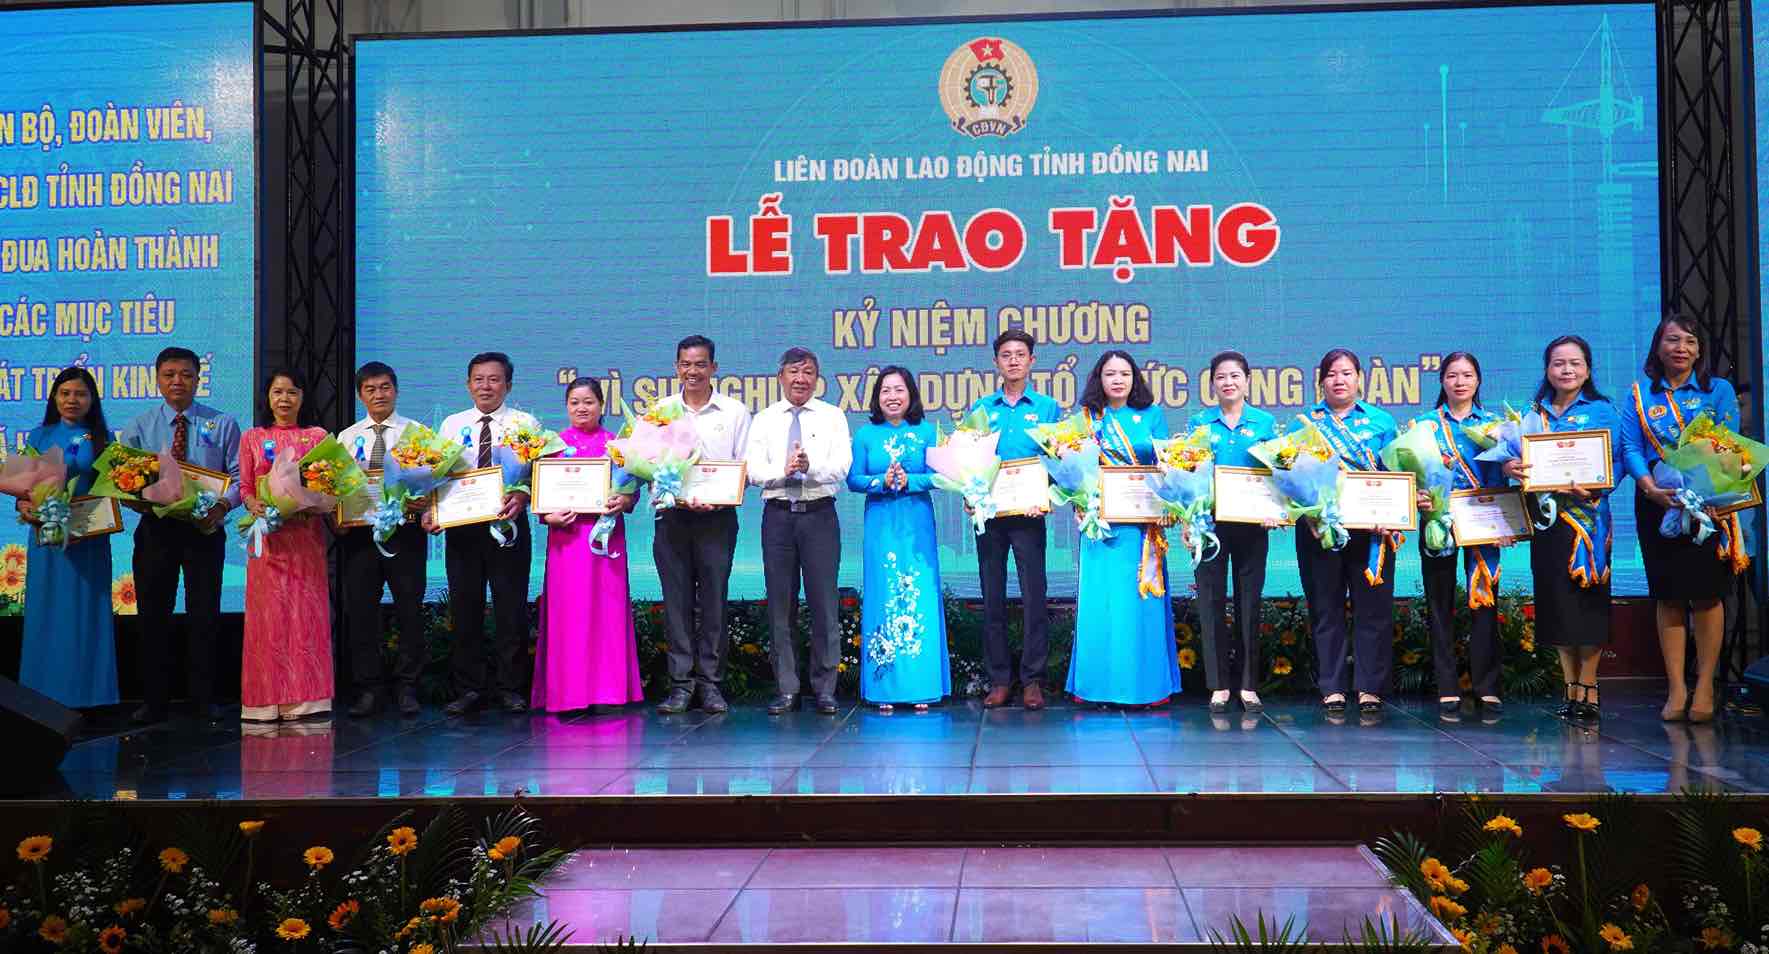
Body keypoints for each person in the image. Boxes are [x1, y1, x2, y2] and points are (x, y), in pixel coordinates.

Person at [1619, 316, 1739, 723]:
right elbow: (1632, 447)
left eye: (1690, 341)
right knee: (1668, 595)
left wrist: (1708, 492)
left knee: (1706, 595)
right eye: (1672, 340)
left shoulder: (1717, 391)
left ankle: (1705, 685)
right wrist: (1650, 487)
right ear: (1658, 348)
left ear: (1700, 350)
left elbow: (1728, 440)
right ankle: (1676, 687)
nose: (1681, 348)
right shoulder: (1640, 395)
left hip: (1709, 504)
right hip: (1658, 503)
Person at [120, 346, 241, 723]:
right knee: (153, 615)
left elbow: (239, 478)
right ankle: (154, 700)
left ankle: (203, 699)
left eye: (186, 374)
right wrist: (137, 499)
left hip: (205, 530)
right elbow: (127, 482)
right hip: (157, 530)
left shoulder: (222, 423)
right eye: (170, 374)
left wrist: (221, 508)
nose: (178, 381)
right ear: (157, 379)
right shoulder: (139, 426)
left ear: (198, 378)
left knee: (204, 615)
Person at [1508, 335, 1623, 723]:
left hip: (1588, 522)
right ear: (1547, 369)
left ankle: (1589, 685)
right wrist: (1512, 468)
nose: (1567, 370)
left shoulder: (1604, 411)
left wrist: (1596, 485)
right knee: (1556, 602)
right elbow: (1519, 461)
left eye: (1575, 363)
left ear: (1588, 369)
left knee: (1587, 601)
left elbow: (1618, 462)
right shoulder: (1532, 415)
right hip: (1548, 521)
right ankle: (1569, 685)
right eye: (1559, 363)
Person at [425, 352, 538, 716]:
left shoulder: (525, 424)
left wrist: (521, 495)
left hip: (508, 525)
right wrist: (432, 510)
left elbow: (538, 474)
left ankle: (511, 688)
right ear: (467, 384)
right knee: (465, 609)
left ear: (508, 384)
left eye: (493, 379)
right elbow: (435, 476)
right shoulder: (451, 425)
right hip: (462, 529)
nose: (485, 386)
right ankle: (469, 688)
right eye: (478, 379)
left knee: (511, 609)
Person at [1068, 350, 1181, 707]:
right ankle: (1095, 686)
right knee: (1102, 606)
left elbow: (1167, 466)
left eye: (1125, 373)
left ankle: (1146, 688)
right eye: (1110, 374)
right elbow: (1074, 472)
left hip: (1142, 529)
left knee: (1139, 605)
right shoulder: (1087, 420)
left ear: (1135, 379)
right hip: (1101, 528)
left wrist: (1167, 504)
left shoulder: (1152, 415)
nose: (1118, 380)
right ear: (1098, 379)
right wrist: (1079, 503)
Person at [745, 347, 852, 715]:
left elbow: (842, 466)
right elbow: (753, 469)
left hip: (819, 515)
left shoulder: (832, 416)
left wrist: (810, 467)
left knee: (824, 604)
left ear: (816, 379)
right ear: (780, 377)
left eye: (807, 372)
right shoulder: (764, 419)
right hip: (777, 516)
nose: (800, 379)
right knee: (780, 605)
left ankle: (825, 688)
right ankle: (787, 688)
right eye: (793, 372)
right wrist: (784, 470)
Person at [1295, 348, 1399, 719]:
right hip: (1319, 530)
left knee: (1373, 609)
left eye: (1346, 373)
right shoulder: (1305, 425)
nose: (1339, 380)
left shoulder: (1382, 422)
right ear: (1321, 381)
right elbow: (1293, 481)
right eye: (1331, 374)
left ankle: (1370, 687)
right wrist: (1307, 513)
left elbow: (1396, 472)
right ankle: (1332, 687)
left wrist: (1394, 510)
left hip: (1372, 531)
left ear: (1359, 378)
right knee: (1326, 608)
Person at [652, 335, 751, 715]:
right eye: (685, 364)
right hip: (673, 518)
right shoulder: (661, 412)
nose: (692, 371)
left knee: (713, 603)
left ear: (714, 367)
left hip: (717, 519)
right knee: (676, 604)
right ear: (676, 367)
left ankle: (710, 685)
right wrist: (670, 494)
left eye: (700, 364)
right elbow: (649, 466)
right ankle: (681, 685)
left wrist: (723, 494)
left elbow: (746, 466)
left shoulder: (734, 412)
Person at [532, 377, 643, 713]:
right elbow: (538, 497)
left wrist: (623, 501)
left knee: (606, 611)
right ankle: (568, 693)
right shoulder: (550, 445)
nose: (581, 408)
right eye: (574, 402)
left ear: (601, 406)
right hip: (566, 541)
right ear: (566, 407)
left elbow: (631, 493)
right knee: (569, 614)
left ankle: (609, 692)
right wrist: (546, 516)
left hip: (606, 539)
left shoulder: (618, 446)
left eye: (589, 402)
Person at [967, 330, 1062, 710]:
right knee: (992, 597)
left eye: (1020, 354)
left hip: (1029, 513)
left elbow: (1059, 460)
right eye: (1005, 355)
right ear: (996, 362)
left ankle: (1033, 680)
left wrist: (1047, 495)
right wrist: (971, 494)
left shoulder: (1048, 408)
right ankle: (1000, 679)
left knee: (1033, 596)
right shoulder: (981, 409)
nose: (1013, 361)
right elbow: (969, 462)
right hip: (990, 515)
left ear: (1032, 361)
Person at [847, 367, 951, 711]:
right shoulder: (865, 435)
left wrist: (911, 481)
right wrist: (881, 480)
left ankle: (922, 686)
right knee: (884, 592)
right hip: (881, 521)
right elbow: (853, 479)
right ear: (877, 398)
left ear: (911, 395)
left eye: (899, 390)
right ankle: (885, 689)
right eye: (885, 391)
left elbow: (940, 477)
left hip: (916, 519)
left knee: (919, 594)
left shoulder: (926, 433)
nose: (892, 397)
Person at [14, 367, 118, 710]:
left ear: (92, 400)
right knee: (48, 615)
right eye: (66, 393)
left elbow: (113, 490)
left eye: (81, 394)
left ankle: (91, 697)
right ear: (55, 397)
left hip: (88, 542)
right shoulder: (39, 437)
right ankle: (43, 695)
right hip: (48, 544)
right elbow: (22, 491)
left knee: (88, 615)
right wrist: (27, 508)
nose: (73, 400)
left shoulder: (103, 440)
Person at [1414, 352, 1509, 721]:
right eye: (1452, 375)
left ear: (1478, 381)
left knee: (1484, 603)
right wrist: (1417, 498)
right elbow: (1412, 474)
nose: (1460, 382)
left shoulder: (1495, 427)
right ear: (1442, 381)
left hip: (1482, 523)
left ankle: (1487, 687)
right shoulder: (1423, 426)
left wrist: (1505, 523)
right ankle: (1447, 687)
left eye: (1467, 375)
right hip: (1437, 522)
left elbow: (1503, 478)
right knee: (1439, 606)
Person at [239, 368, 334, 722]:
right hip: (268, 540)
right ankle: (264, 702)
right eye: (277, 392)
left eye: (292, 392)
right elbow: (245, 486)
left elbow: (330, 483)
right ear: (267, 397)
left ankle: (308, 700)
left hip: (305, 539)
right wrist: (253, 504)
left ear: (303, 397)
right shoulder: (251, 437)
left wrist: (311, 503)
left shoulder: (317, 436)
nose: (284, 399)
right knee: (269, 619)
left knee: (305, 615)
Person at [1188, 350, 1278, 715]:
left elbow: (1277, 472)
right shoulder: (1199, 423)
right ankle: (1219, 685)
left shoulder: (1265, 423)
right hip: (1210, 525)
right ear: (1212, 383)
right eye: (1221, 377)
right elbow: (1188, 474)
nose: (1228, 382)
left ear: (1247, 381)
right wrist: (1189, 518)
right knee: (1210, 602)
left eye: (1235, 376)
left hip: (1252, 525)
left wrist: (1274, 511)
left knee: (1248, 602)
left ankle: (1248, 684)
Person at [337, 362, 428, 717]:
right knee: (361, 613)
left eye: (385, 387)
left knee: (409, 610)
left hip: (404, 534)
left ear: (396, 390)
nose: (379, 394)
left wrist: (423, 501)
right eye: (371, 389)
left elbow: (428, 483)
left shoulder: (416, 433)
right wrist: (337, 518)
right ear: (361, 395)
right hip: (360, 536)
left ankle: (408, 688)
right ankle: (368, 689)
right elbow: (336, 488)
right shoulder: (345, 438)